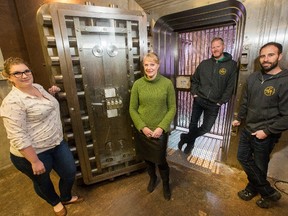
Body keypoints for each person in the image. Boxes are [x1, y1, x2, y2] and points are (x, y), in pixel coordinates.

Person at [0, 57, 84, 216]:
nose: (24, 75)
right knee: (42, 182)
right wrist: (34, 161)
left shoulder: (37, 87)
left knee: (69, 172)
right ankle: (55, 202)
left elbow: (42, 109)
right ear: (9, 77)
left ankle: (65, 196)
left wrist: (51, 94)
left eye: (26, 71)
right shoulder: (12, 103)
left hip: (56, 143)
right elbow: (18, 136)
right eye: (17, 73)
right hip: (33, 153)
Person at [232, 42, 288, 208]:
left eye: (270, 55)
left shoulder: (285, 81)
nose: (266, 59)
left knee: (260, 165)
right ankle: (267, 191)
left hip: (265, 134)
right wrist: (240, 118)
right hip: (248, 129)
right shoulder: (254, 78)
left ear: (280, 56)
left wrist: (267, 131)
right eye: (263, 56)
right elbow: (246, 101)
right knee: (243, 158)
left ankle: (255, 189)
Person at [178, 37, 237, 154]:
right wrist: (194, 93)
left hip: (214, 104)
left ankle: (186, 138)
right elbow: (194, 80)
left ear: (223, 46)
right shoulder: (204, 64)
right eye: (213, 47)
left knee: (206, 128)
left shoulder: (231, 65)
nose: (215, 49)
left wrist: (221, 101)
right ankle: (190, 145)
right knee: (193, 124)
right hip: (199, 100)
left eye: (218, 46)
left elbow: (231, 86)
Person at [129, 52, 176, 201]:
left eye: (152, 64)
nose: (149, 68)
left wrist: (161, 127)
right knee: (148, 159)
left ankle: (166, 185)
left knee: (161, 160)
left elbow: (172, 108)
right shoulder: (138, 84)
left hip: (159, 131)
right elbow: (132, 109)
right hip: (143, 131)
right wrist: (142, 127)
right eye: (146, 65)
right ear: (143, 66)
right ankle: (152, 178)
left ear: (158, 65)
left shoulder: (167, 84)